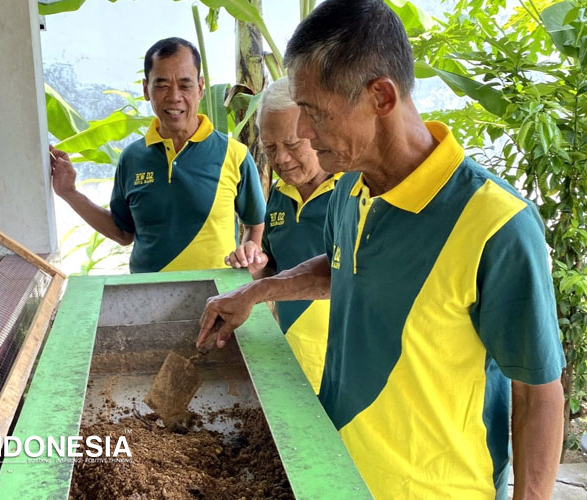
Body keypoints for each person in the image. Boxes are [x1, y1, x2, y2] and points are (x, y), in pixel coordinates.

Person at [197, 1, 565, 498]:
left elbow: (537, 393)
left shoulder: (497, 224)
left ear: (381, 97)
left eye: (314, 112)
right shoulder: (351, 188)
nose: (302, 134)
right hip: (335, 473)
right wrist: (259, 292)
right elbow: (342, 269)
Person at [50, 38, 265, 273]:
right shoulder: (132, 158)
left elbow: (255, 224)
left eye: (185, 85)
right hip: (148, 297)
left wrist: (248, 255)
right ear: (145, 89)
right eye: (161, 85)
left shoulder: (234, 154)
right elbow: (123, 233)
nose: (174, 97)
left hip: (218, 298)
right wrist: (69, 193)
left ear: (201, 88)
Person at [225, 77, 337, 394]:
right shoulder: (278, 194)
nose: (282, 159)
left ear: (317, 131)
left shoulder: (354, 190)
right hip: (295, 360)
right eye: (271, 148)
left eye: (293, 144)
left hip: (345, 369)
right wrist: (256, 263)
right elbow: (274, 267)